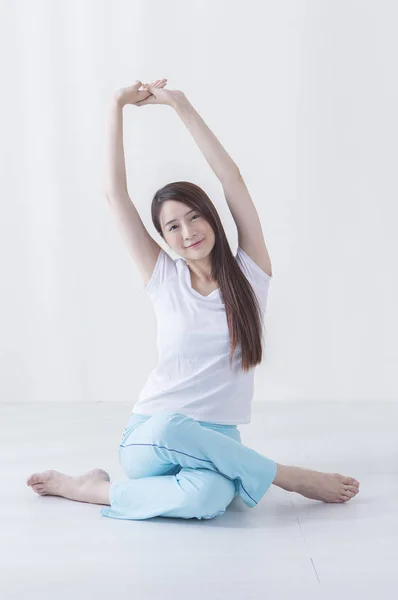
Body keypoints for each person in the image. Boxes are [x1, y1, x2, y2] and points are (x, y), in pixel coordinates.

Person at [26, 79, 360, 520]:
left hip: (219, 439)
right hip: (152, 437)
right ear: (164, 238)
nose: (188, 232)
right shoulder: (163, 277)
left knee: (208, 500)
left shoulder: (250, 274)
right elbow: (115, 195)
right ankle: (287, 476)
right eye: (173, 227)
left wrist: (180, 105)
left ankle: (99, 491)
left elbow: (230, 177)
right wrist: (116, 105)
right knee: (171, 424)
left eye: (195, 217)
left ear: (211, 218)